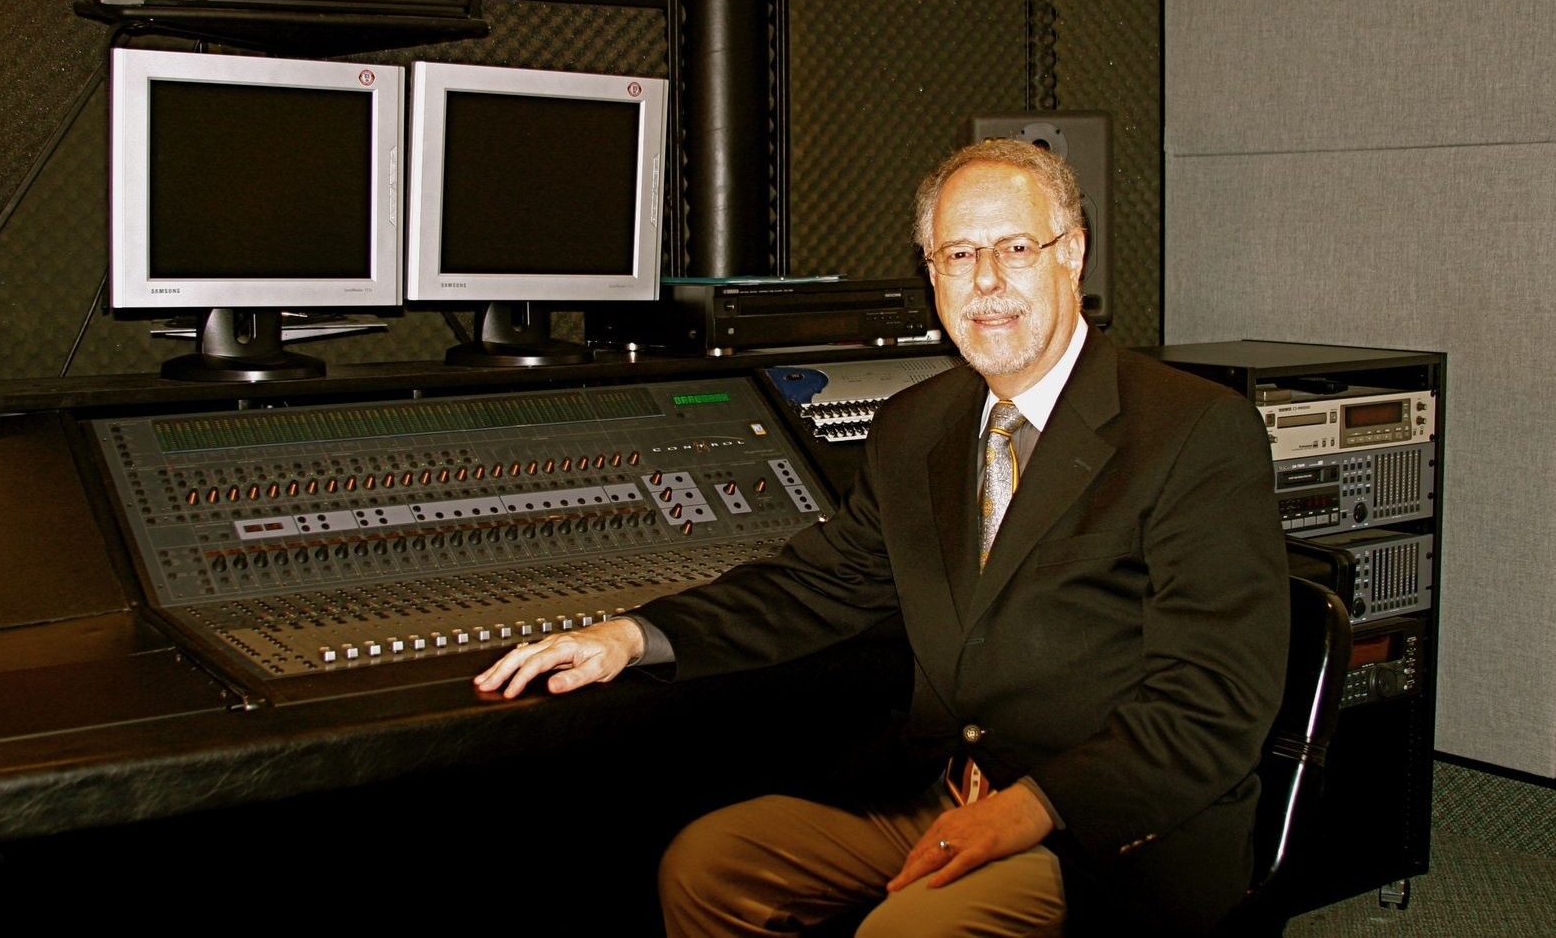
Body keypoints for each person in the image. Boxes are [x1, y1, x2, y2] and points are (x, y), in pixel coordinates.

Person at [475, 138, 1290, 936]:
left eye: (1016, 247)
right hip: (939, 791)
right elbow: (816, 583)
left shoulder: (1195, 432)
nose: (989, 281)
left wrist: (1028, 808)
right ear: (930, 272)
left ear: (1072, 253)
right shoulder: (915, 428)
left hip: (1104, 830)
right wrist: (635, 633)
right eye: (959, 255)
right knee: (711, 864)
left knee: (916, 927)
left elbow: (1214, 700)